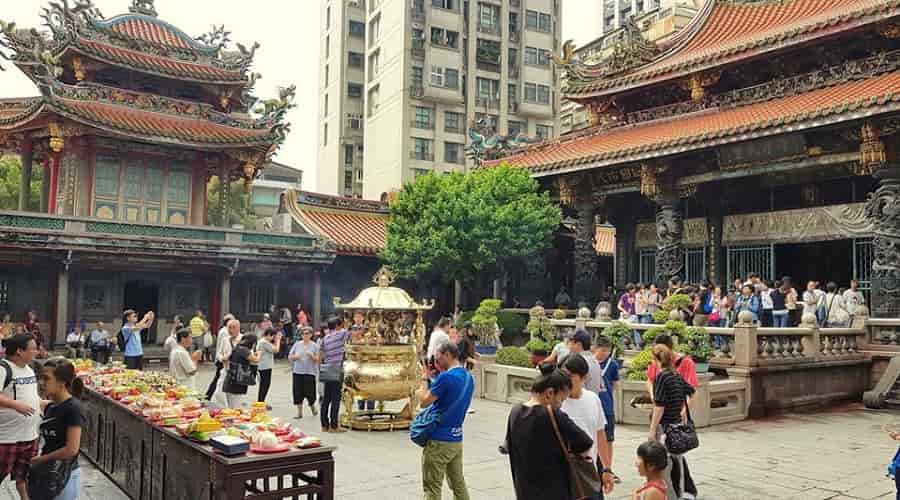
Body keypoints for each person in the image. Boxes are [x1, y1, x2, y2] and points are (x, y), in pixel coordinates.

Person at [505, 363, 593, 500]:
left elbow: (508, 446)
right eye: (561, 400)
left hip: (524, 490)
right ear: (549, 393)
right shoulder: (552, 414)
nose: (561, 405)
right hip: (554, 491)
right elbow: (585, 442)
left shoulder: (515, 411)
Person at [414, 342, 474, 500]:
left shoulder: (446, 377)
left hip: (439, 440)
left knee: (432, 488)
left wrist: (423, 379)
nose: (436, 361)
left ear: (447, 354)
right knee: (458, 484)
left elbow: (424, 401)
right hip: (456, 438)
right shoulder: (468, 376)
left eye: (438, 357)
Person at [560, 354, 615, 498]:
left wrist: (607, 469)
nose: (565, 380)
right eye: (562, 375)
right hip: (564, 477)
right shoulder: (556, 404)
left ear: (584, 377)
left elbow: (600, 434)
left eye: (570, 376)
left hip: (590, 474)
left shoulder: (593, 399)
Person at [648, 345, 697, 500]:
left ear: (657, 360)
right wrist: (684, 409)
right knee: (678, 463)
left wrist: (652, 429)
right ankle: (683, 493)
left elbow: (659, 406)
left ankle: (668, 496)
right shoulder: (676, 375)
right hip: (677, 426)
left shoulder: (661, 377)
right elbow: (692, 390)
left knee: (664, 465)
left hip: (665, 428)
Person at [33, 358, 85, 500]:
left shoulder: (73, 409)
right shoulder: (52, 406)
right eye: (39, 378)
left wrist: (41, 459)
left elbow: (71, 449)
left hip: (63, 476)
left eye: (46, 379)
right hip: (47, 473)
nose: (41, 383)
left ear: (62, 382)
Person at [0, 333, 41, 500]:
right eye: (33, 349)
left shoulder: (29, 369)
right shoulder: (3, 369)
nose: (36, 352)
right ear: (19, 351)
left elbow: (30, 396)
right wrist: (15, 405)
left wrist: (41, 403)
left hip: (30, 436)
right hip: (7, 437)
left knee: (23, 477)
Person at [594, 336, 620, 480]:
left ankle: (608, 467)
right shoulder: (589, 363)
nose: (605, 353)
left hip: (607, 408)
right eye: (602, 350)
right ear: (595, 348)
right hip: (593, 408)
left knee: (608, 439)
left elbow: (615, 384)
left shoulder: (612, 365)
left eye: (607, 351)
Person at [319, 317, 350, 433]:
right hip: (337, 368)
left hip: (327, 368)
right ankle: (334, 426)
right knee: (336, 398)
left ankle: (324, 425)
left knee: (326, 398)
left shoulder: (325, 338)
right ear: (337, 325)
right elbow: (352, 333)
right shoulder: (341, 334)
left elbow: (321, 355)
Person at [646, 334, 698, 401]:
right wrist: (653, 397)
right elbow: (650, 380)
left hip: (678, 407)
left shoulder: (687, 362)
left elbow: (692, 390)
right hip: (660, 406)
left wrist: (684, 411)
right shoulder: (655, 360)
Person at [222, 334, 260, 409]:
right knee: (236, 407)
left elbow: (226, 358)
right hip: (238, 381)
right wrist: (259, 354)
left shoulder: (237, 348)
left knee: (231, 406)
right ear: (253, 343)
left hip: (231, 379)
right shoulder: (244, 350)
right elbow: (255, 360)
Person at [289, 327, 319, 419]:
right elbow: (290, 356)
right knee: (297, 392)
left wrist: (312, 356)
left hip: (310, 372)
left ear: (311, 335)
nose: (305, 335)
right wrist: (295, 357)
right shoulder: (297, 344)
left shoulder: (315, 346)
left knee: (310, 392)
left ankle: (312, 406)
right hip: (298, 371)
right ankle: (299, 412)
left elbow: (318, 359)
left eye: (307, 333)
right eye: (303, 333)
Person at [205, 314, 235, 401]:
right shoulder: (225, 331)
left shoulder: (224, 330)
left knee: (218, 378)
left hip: (222, 358)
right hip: (222, 359)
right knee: (218, 379)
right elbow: (226, 346)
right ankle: (209, 396)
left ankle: (209, 396)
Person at [568, 330, 605, 395]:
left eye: (571, 342)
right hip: (593, 401)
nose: (569, 345)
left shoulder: (577, 362)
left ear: (578, 344)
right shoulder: (595, 361)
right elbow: (601, 387)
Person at [256, 327, 281, 407]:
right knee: (265, 385)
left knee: (264, 385)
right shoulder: (264, 342)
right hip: (264, 367)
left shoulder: (263, 341)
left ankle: (261, 402)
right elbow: (276, 350)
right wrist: (278, 340)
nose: (273, 338)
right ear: (269, 335)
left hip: (264, 366)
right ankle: (260, 402)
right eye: (273, 336)